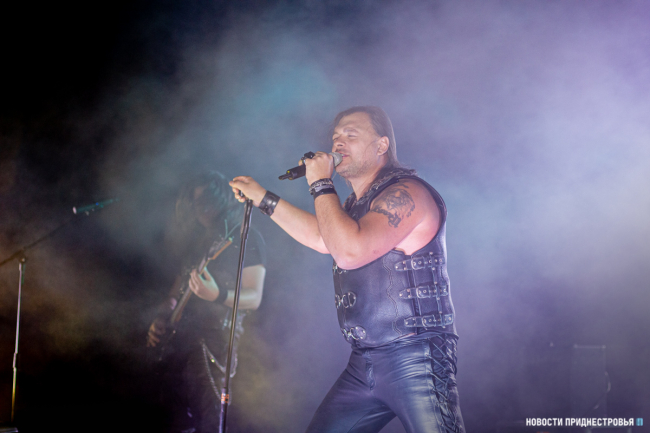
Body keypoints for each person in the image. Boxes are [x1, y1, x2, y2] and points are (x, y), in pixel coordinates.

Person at [229, 106, 464, 433]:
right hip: (364, 362)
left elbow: (349, 252)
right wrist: (262, 198)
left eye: (350, 135)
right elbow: (323, 238)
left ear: (381, 145)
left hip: (417, 357)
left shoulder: (408, 193)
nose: (338, 143)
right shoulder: (356, 206)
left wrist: (320, 182)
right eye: (335, 136)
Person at [147, 171, 266, 433]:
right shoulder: (196, 243)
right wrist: (162, 318)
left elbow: (254, 297)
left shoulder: (245, 237)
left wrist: (218, 295)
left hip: (214, 346)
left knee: (209, 422)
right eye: (195, 202)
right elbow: (175, 294)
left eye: (207, 200)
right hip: (178, 344)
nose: (201, 208)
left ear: (222, 199)